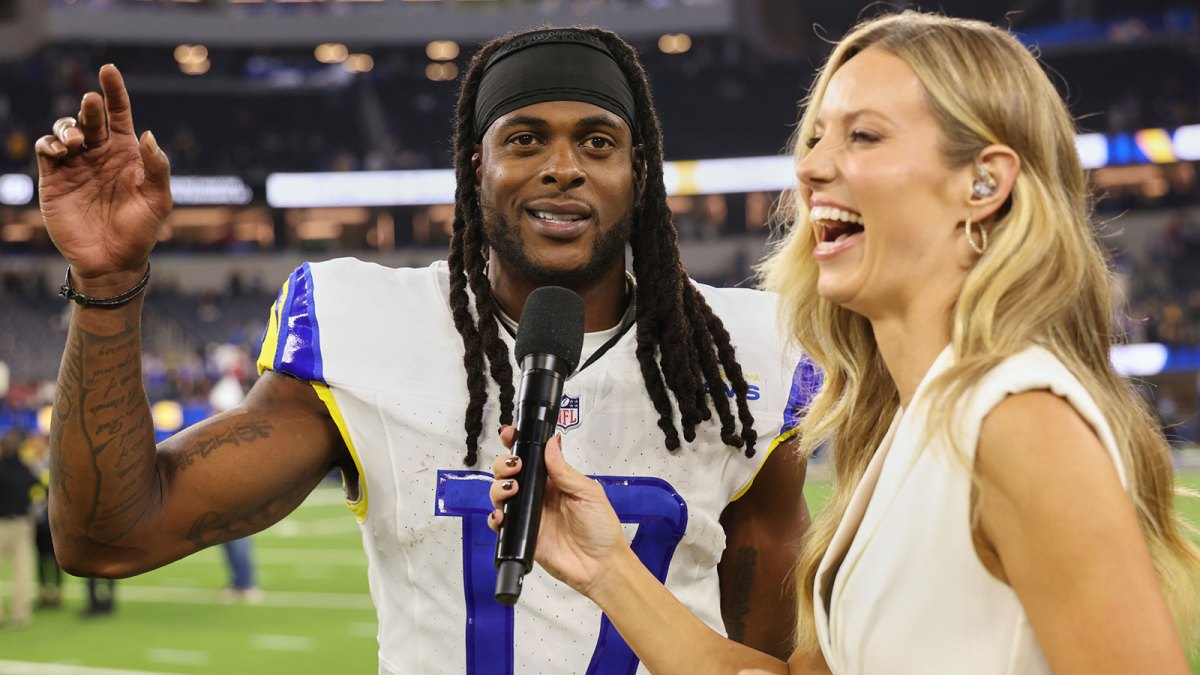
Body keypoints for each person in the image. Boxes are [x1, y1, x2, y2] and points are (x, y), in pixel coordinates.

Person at [35, 27, 809, 673]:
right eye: (525, 138)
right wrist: (108, 281)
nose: (563, 166)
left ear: (638, 172)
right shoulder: (369, 328)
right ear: (478, 168)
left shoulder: (743, 354)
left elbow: (759, 648)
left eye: (598, 142)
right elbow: (109, 535)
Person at [487, 11, 1200, 675]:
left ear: (984, 183)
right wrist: (603, 563)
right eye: (817, 135)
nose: (812, 166)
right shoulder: (907, 428)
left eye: (863, 135)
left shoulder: (1017, 420)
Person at [0, 430, 38, 628]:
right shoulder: (25, 469)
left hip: (2, 524)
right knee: (23, 571)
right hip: (22, 524)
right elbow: (39, 487)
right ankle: (21, 614)